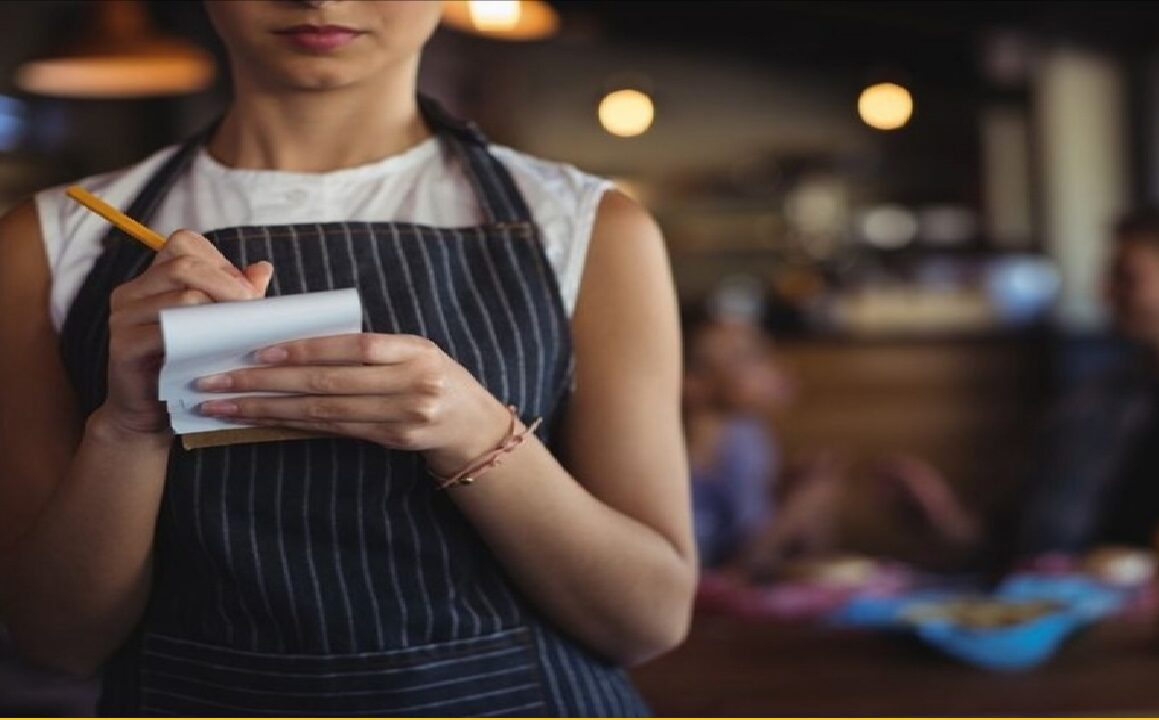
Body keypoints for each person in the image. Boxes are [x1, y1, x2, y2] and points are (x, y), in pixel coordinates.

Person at [0, 1, 695, 715]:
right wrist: (127, 427)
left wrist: (476, 431)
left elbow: (648, 619)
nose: (319, 0)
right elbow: (59, 639)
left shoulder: (591, 228)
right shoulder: (49, 242)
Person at [683, 305, 977, 575]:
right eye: (747, 356)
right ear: (689, 382)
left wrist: (806, 505)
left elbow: (793, 563)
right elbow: (731, 575)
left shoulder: (747, 440)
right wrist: (792, 514)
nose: (777, 367)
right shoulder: (673, 462)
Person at [1018, 208, 1159, 555]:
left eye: (1127, 277)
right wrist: (948, 530)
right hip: (1075, 601)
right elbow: (1028, 545)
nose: (1105, 293)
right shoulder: (1091, 402)